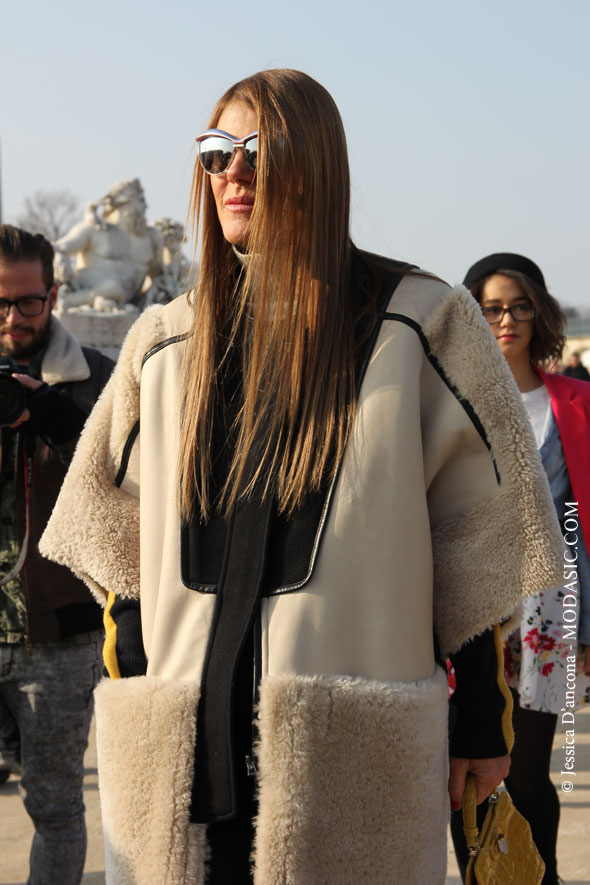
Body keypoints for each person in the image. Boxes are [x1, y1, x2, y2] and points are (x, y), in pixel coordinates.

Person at [40, 71, 563, 884]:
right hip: (184, 772)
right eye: (216, 152)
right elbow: (115, 551)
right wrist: (141, 706)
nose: (233, 172)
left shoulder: (420, 321)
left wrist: (481, 722)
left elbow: (483, 543)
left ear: (316, 162)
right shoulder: (163, 341)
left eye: (261, 149)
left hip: (354, 768)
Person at [451, 252, 590, 885]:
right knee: (468, 767)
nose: (507, 319)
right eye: (492, 307)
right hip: (471, 602)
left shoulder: (575, 402)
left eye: (519, 305)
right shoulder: (451, 397)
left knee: (529, 770)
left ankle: (544, 878)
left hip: (546, 607)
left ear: (539, 311)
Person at [0, 225, 113, 884]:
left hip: (62, 637)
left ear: (55, 294)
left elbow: (133, 478)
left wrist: (48, 413)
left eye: (28, 302)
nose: (12, 318)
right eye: (0, 302)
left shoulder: (94, 379)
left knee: (56, 808)